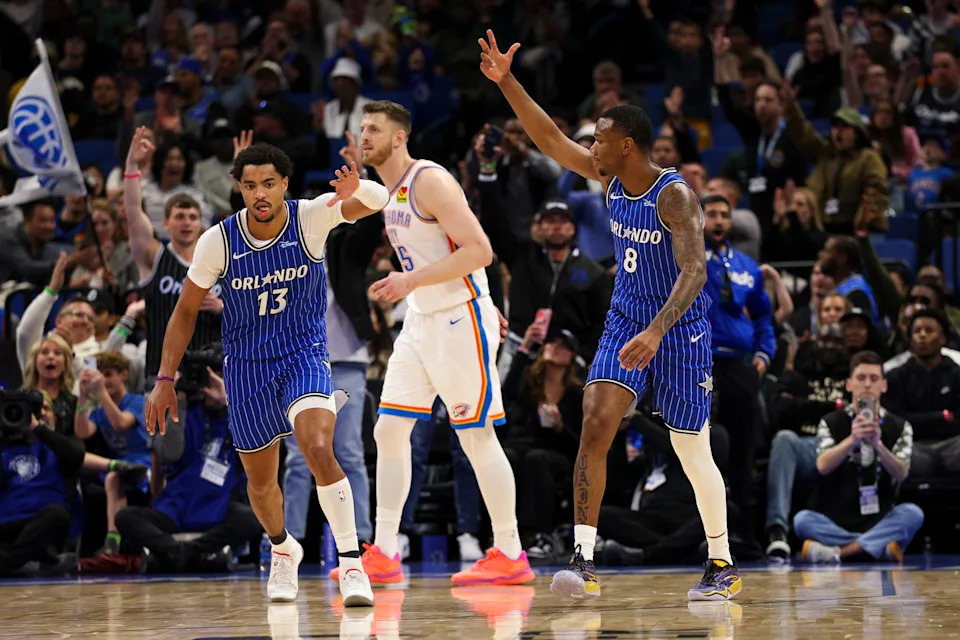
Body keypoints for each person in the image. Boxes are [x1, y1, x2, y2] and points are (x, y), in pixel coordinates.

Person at [480, 30, 740, 601]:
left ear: (628, 145)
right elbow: (547, 138)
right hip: (626, 319)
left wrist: (656, 330)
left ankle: (721, 560)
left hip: (678, 330)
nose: (590, 147)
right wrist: (506, 81)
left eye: (600, 139)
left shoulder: (674, 196)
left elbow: (695, 273)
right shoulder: (608, 177)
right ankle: (584, 557)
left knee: (691, 449)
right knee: (595, 419)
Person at [144, 143, 389, 605]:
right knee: (260, 480)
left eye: (269, 184)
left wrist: (362, 188)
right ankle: (282, 549)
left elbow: (378, 201)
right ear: (239, 188)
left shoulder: (310, 217)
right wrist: (164, 379)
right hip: (247, 366)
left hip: (305, 354)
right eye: (251, 185)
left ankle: (352, 563)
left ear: (285, 186)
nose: (260, 193)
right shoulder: (217, 240)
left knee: (318, 447)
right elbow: (184, 312)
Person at [333, 100, 534, 587]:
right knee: (389, 430)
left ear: (400, 137)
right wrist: (351, 191)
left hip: (457, 321)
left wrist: (414, 282)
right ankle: (383, 550)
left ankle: (510, 551)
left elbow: (480, 250)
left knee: (475, 436)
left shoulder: (430, 180)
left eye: (374, 129)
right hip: (423, 322)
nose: (365, 136)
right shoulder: (388, 190)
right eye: (362, 129)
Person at [795, 351, 922, 564]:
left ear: (884, 385)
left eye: (874, 379)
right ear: (849, 384)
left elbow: (902, 473)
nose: (867, 385)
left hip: (881, 517)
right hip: (837, 518)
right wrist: (852, 439)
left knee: (913, 513)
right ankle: (879, 548)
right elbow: (822, 465)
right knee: (802, 521)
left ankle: (839, 553)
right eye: (861, 378)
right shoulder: (830, 421)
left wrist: (878, 445)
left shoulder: (900, 426)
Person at [123, 126, 223, 386]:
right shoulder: (154, 257)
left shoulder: (218, 265)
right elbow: (133, 213)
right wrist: (133, 165)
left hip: (212, 381)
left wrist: (224, 308)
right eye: (179, 216)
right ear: (166, 223)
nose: (187, 223)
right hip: (161, 378)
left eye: (193, 217)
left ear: (202, 223)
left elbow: (248, 317)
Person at [701, 194, 775, 537]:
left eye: (724, 215)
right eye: (711, 214)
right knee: (704, 446)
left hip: (740, 367)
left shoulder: (747, 266)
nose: (718, 221)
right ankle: (703, 527)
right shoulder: (684, 259)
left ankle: (742, 528)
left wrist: (763, 354)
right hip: (699, 363)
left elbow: (763, 315)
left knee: (744, 447)